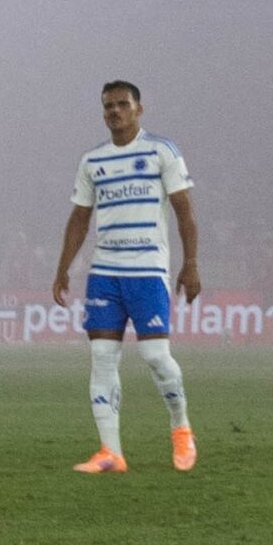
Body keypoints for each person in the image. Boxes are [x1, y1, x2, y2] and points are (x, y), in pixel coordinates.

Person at [53, 80, 200, 472]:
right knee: (102, 358)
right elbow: (79, 218)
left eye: (122, 104)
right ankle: (111, 452)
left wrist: (191, 263)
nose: (114, 111)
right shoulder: (93, 161)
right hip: (104, 272)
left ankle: (181, 426)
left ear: (139, 109)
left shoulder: (161, 152)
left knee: (155, 356)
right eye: (108, 106)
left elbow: (185, 211)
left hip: (148, 270)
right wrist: (63, 269)